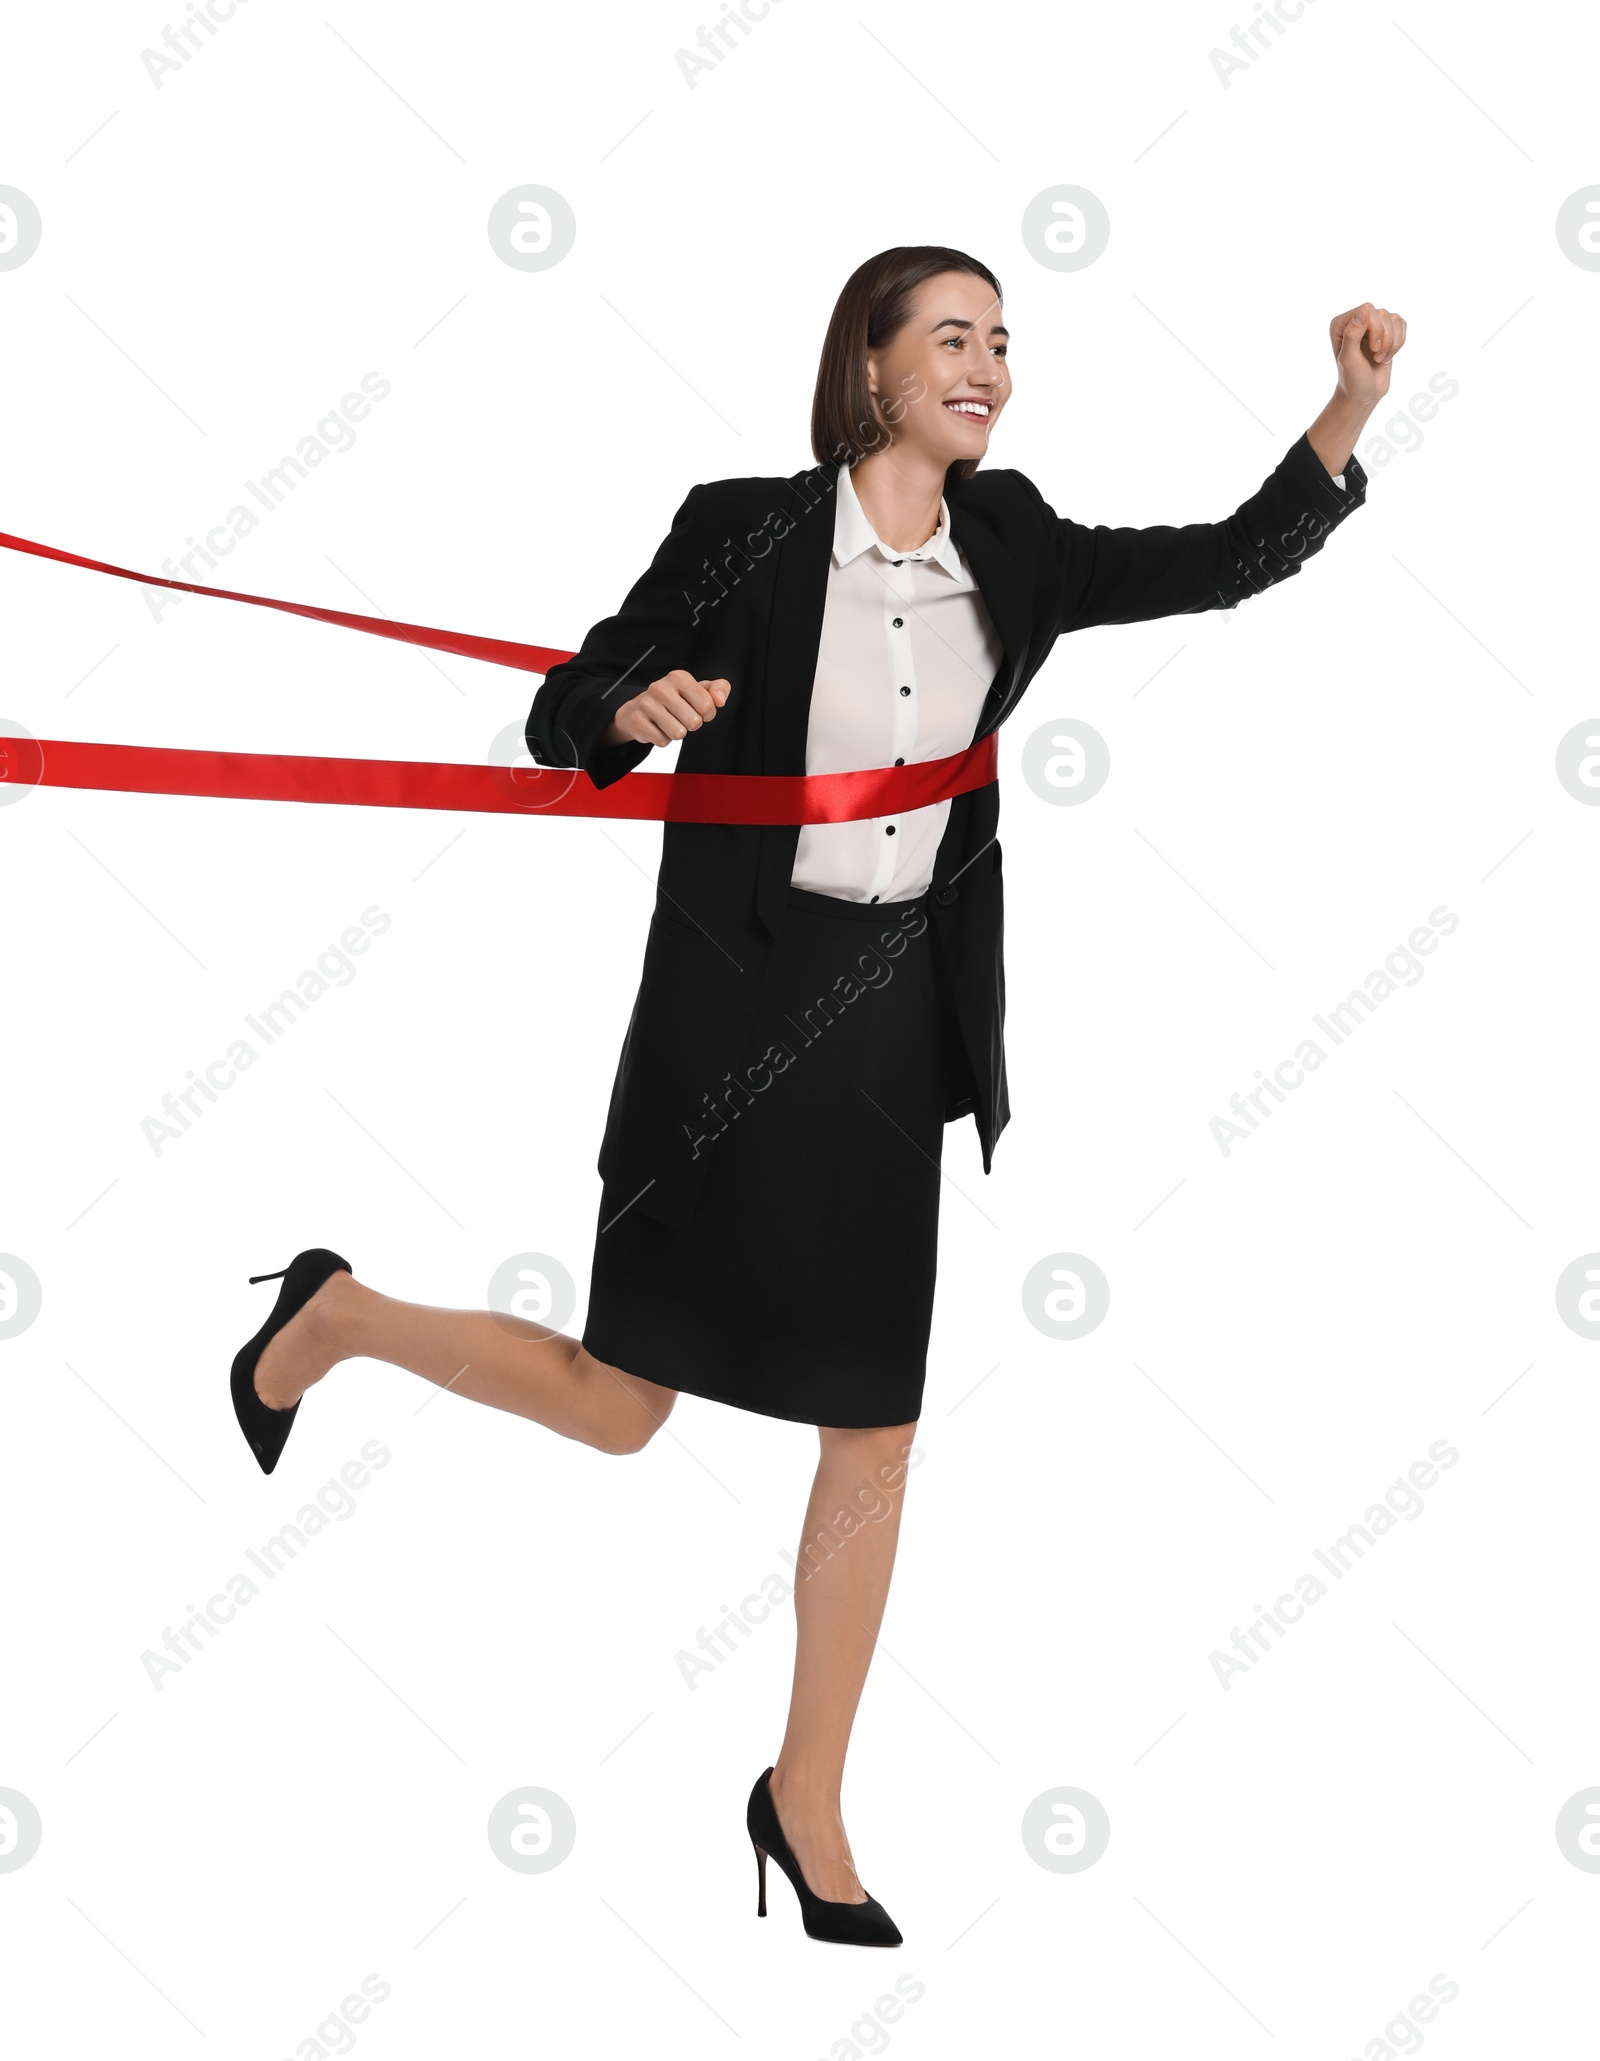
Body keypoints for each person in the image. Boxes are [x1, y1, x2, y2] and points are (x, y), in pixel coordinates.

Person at [230, 246, 1403, 1946]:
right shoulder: (746, 528)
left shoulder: (1013, 542)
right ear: (868, 366)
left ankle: (807, 1792)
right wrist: (634, 704)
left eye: (1004, 341)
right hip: (730, 1022)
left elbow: (1222, 562)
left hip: (883, 1029)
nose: (989, 364)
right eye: (953, 338)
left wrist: (1349, 405)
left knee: (877, 1424)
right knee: (625, 1407)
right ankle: (335, 1318)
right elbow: (571, 704)